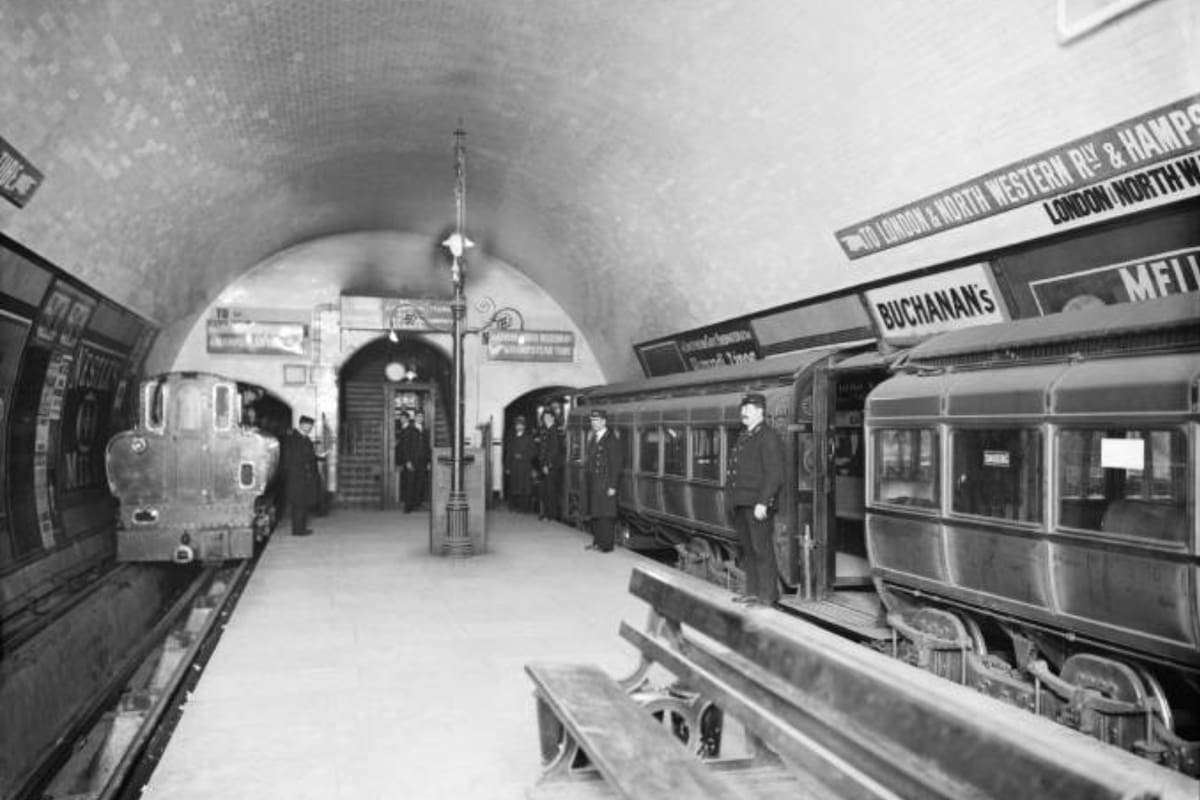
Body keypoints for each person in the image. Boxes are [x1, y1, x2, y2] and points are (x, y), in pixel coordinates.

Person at [725, 393, 785, 605]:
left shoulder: (768, 436)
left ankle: (767, 596)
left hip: (756, 504)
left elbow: (774, 474)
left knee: (761, 549)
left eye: (748, 410)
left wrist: (763, 502)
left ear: (761, 411)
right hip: (742, 502)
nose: (744, 413)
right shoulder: (746, 435)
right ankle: (753, 592)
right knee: (748, 550)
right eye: (743, 410)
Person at [583, 408, 623, 552]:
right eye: (592, 421)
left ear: (604, 422)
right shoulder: (595, 437)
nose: (594, 423)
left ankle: (606, 546)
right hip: (595, 482)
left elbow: (616, 464)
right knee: (596, 513)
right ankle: (597, 542)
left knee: (605, 514)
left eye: (597, 421)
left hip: (606, 483)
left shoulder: (611, 438)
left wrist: (613, 486)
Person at [281, 415, 319, 536]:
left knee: (303, 503)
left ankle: (301, 528)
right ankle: (298, 530)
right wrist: (313, 457)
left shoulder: (304, 438)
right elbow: (297, 457)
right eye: (308, 425)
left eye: (311, 425)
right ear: (302, 424)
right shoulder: (294, 438)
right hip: (297, 476)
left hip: (303, 476)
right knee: (298, 503)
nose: (310, 427)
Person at [535, 409, 565, 521]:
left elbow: (554, 450)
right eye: (544, 417)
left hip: (551, 466)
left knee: (550, 490)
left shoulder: (554, 431)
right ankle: (545, 513)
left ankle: (551, 515)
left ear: (553, 418)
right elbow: (542, 449)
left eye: (548, 417)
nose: (546, 419)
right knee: (544, 490)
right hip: (544, 465)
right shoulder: (545, 430)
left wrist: (548, 464)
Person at [504, 416, 537, 512]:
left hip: (525, 466)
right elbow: (509, 453)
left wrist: (523, 456)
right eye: (517, 425)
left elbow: (534, 451)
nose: (519, 426)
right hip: (514, 466)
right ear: (515, 426)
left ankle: (524, 508)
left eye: (520, 425)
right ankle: (514, 506)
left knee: (524, 488)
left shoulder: (529, 438)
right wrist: (507, 467)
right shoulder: (512, 438)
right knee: (514, 487)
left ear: (524, 426)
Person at [396, 411, 426, 512]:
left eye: (422, 416)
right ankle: (408, 507)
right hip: (412, 460)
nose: (420, 418)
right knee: (410, 483)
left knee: (419, 483)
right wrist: (408, 461)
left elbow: (427, 447)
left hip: (422, 461)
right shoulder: (410, 430)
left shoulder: (425, 430)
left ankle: (416, 504)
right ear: (414, 418)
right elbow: (405, 446)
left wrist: (428, 461)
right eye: (418, 416)